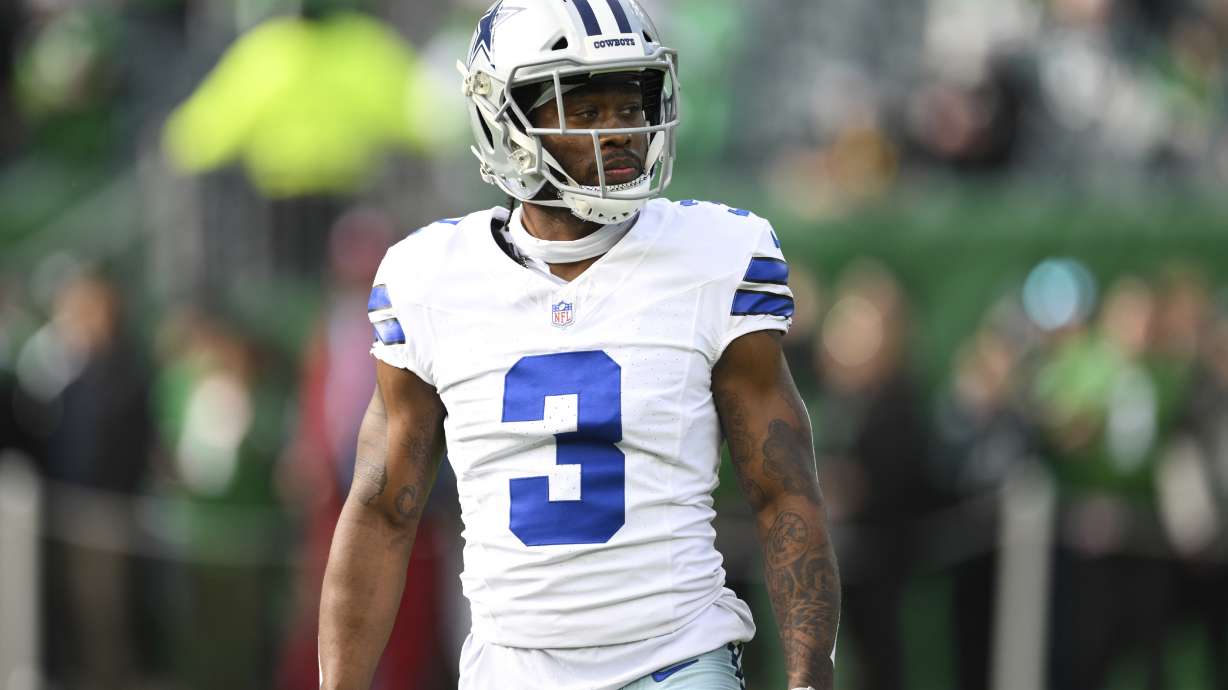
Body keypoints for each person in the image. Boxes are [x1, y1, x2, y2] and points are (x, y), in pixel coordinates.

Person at [318, 2, 840, 689]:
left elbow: (784, 492)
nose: (621, 132)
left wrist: (809, 679)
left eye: (630, 105)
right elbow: (383, 511)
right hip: (511, 670)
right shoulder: (430, 278)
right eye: (585, 111)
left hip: (677, 659)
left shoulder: (718, 256)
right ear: (506, 120)